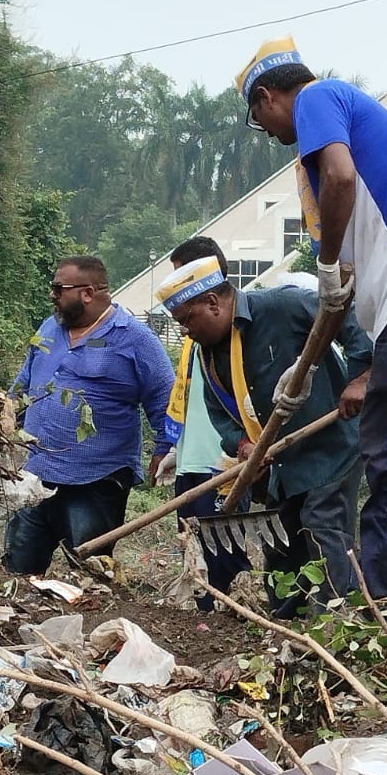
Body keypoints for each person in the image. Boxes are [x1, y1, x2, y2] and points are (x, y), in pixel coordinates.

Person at [236, 37, 387, 598]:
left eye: (260, 119)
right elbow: (337, 295)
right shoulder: (345, 176)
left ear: (269, 97)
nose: (272, 135)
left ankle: (381, 601)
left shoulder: (318, 98)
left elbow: (341, 181)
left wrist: (322, 261)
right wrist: (302, 372)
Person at [161, 254, 374, 617]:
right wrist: (243, 446)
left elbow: (349, 322)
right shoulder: (206, 354)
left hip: (329, 448)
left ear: (212, 303)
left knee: (322, 529)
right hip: (280, 465)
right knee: (282, 541)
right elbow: (219, 413)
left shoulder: (283, 304)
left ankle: (333, 624)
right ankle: (284, 621)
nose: (183, 329)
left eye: (185, 319)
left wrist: (362, 376)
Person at [3, 256, 175, 575]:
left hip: (96, 480)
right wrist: (5, 412)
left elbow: (165, 398)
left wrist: (164, 448)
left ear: (88, 292)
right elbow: (24, 380)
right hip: (36, 473)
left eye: (58, 288)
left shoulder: (135, 339)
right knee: (18, 568)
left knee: (87, 573)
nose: (52, 294)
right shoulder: (49, 328)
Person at [152, 237, 251, 611]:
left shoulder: (235, 329)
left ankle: (234, 613)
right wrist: (172, 446)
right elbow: (187, 395)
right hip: (192, 459)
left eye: (182, 277)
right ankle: (203, 612)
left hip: (223, 461)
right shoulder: (194, 332)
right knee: (192, 547)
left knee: (224, 548)